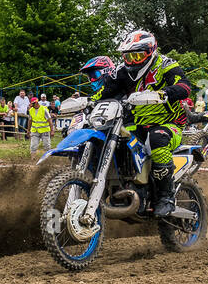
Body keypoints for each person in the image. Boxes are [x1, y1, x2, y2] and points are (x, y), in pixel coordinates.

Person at [82, 28, 193, 217]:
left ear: (150, 52)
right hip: (139, 124)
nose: (131, 61)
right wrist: (89, 101)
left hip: (169, 124)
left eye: (136, 56)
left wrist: (165, 93)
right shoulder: (122, 72)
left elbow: (184, 86)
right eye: (127, 56)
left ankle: (166, 196)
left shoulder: (166, 65)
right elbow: (106, 90)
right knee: (116, 140)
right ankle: (122, 186)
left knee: (157, 139)